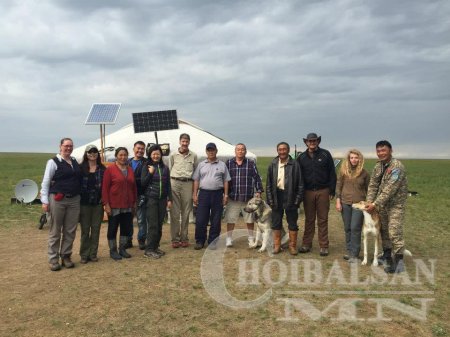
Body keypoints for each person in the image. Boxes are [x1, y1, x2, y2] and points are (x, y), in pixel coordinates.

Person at [365, 140, 408, 273]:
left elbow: (390, 189)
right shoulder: (378, 166)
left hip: (395, 205)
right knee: (383, 232)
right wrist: (369, 203)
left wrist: (375, 204)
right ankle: (387, 256)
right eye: (378, 151)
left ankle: (399, 263)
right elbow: (373, 185)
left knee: (394, 231)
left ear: (390, 150)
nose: (381, 153)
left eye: (383, 150)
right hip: (381, 205)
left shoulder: (397, 167)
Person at [40, 138, 81, 271]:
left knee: (70, 230)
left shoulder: (74, 161)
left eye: (71, 146)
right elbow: (46, 182)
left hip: (74, 199)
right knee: (55, 229)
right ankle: (53, 259)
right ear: (60, 146)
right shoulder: (53, 162)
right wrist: (45, 201)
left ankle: (66, 256)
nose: (68, 148)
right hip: (58, 199)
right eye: (66, 146)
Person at [297, 133, 337, 256]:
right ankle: (306, 244)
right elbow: (298, 176)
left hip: (323, 190)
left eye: (314, 140)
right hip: (308, 192)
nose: (312, 143)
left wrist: (332, 190)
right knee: (309, 219)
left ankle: (324, 246)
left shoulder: (325, 154)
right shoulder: (301, 157)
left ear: (318, 141)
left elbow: (332, 173)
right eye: (310, 141)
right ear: (306, 143)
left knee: (322, 219)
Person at [266, 142, 303, 255]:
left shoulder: (295, 164)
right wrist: (270, 201)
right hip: (277, 196)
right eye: (280, 149)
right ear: (277, 151)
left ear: (288, 150)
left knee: (292, 223)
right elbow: (268, 185)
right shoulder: (272, 164)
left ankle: (292, 246)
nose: (282, 151)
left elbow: (300, 185)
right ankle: (277, 246)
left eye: (284, 149)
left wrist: (297, 201)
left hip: (291, 196)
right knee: (276, 223)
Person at [192, 142, 231, 250]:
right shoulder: (201, 164)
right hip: (203, 194)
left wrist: (226, 195)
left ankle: (213, 242)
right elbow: (196, 180)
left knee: (216, 219)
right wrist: (194, 194)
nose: (211, 152)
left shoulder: (222, 165)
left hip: (217, 194)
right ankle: (200, 241)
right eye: (209, 150)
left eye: (212, 150)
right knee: (200, 219)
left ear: (216, 151)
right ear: (206, 152)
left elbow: (226, 181)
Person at [224, 143, 264, 248]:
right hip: (233, 197)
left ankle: (250, 239)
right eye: (238, 149)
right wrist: (225, 194)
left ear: (245, 151)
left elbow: (257, 177)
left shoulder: (251, 163)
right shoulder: (229, 163)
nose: (240, 151)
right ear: (235, 151)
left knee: (250, 220)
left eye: (242, 149)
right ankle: (229, 239)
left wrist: (259, 191)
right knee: (230, 219)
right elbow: (225, 180)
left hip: (247, 197)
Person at [102, 147, 137, 260]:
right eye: (121, 155)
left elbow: (134, 187)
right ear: (116, 156)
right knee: (113, 228)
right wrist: (106, 204)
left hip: (127, 205)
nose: (123, 157)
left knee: (125, 228)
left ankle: (122, 249)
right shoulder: (110, 170)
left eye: (125, 155)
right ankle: (113, 250)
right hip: (114, 205)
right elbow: (105, 188)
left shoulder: (130, 169)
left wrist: (134, 202)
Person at [335, 149, 370, 263]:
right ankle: (350, 251)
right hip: (345, 203)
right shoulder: (344, 172)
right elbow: (338, 186)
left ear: (360, 159)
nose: (354, 160)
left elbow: (369, 189)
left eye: (356, 157)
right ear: (348, 159)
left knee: (355, 227)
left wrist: (368, 204)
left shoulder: (364, 173)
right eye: (352, 158)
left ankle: (355, 254)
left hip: (358, 205)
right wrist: (338, 201)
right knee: (347, 228)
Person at [141, 145, 172, 259]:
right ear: (150, 155)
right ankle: (148, 250)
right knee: (153, 225)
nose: (156, 155)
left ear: (161, 155)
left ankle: (155, 247)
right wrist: (150, 173)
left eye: (158, 153)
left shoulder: (165, 168)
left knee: (159, 225)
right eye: (153, 153)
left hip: (162, 199)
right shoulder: (146, 166)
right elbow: (143, 183)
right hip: (151, 199)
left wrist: (170, 199)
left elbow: (168, 185)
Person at [169, 133, 198, 248]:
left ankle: (184, 238)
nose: (184, 143)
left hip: (188, 183)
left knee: (186, 212)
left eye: (186, 141)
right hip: (174, 182)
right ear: (180, 142)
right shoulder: (173, 155)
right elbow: (170, 168)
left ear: (189, 142)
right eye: (183, 141)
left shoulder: (194, 155)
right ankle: (175, 239)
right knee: (174, 212)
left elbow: (195, 171)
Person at [79, 144, 106, 264]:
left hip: (97, 203)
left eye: (95, 152)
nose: (92, 154)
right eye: (90, 152)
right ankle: (84, 255)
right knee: (85, 230)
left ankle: (93, 254)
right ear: (86, 154)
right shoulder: (80, 168)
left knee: (96, 229)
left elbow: (106, 187)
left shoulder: (102, 169)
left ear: (98, 154)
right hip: (84, 203)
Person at [128, 141, 148, 250]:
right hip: (128, 195)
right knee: (128, 219)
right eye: (138, 148)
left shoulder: (147, 162)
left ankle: (141, 240)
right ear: (134, 149)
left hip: (141, 194)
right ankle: (128, 240)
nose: (140, 150)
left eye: (142, 149)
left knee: (141, 219)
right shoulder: (127, 162)